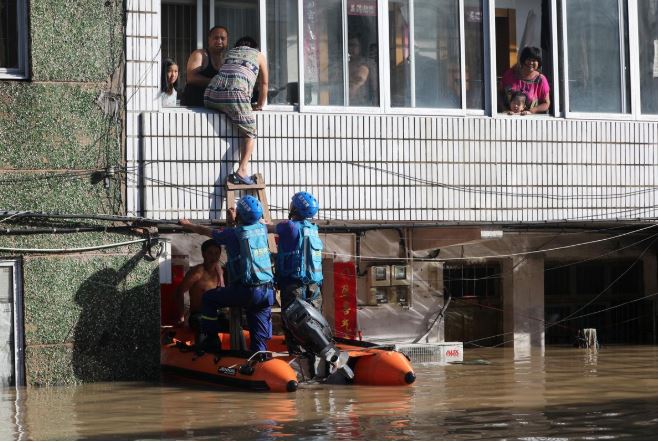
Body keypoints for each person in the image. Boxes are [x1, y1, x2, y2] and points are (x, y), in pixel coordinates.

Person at [178, 195, 274, 353]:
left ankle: (210, 341)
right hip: (267, 292)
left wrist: (188, 225)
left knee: (208, 298)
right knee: (258, 332)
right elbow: (249, 227)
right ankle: (260, 357)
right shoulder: (262, 229)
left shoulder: (232, 234)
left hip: (247, 291)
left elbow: (205, 231)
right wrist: (235, 219)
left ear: (240, 215)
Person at [204, 36, 269, 186]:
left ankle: (232, 110)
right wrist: (259, 105)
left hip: (210, 95)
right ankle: (242, 170)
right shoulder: (258, 55)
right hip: (235, 95)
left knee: (233, 111)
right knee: (250, 132)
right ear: (255, 47)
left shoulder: (230, 53)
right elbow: (264, 83)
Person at [265, 191, 324, 354]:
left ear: (295, 208)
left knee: (293, 325)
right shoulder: (313, 229)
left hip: (294, 286)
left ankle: (298, 363)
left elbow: (266, 228)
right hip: (314, 288)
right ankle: (315, 358)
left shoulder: (288, 226)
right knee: (314, 325)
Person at [173, 239, 224, 328]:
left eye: (217, 253)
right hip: (199, 315)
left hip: (216, 314)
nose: (214, 257)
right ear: (203, 254)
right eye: (210, 253)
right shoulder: (198, 271)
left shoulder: (221, 272)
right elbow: (179, 291)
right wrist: (181, 317)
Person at [180, 26, 229, 107]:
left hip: (214, 108)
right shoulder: (200, 54)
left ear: (227, 40)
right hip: (193, 107)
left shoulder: (227, 60)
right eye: (216, 38)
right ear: (209, 39)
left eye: (222, 38)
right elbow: (191, 78)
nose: (219, 41)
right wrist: (218, 83)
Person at [500, 46, 550, 114]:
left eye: (534, 60)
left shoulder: (541, 80)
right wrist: (505, 110)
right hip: (508, 118)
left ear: (538, 63)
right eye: (529, 59)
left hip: (531, 121)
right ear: (523, 60)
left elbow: (546, 104)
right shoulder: (510, 74)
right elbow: (498, 94)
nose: (531, 63)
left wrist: (531, 111)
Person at [348, 35, 372, 106]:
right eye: (349, 45)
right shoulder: (346, 64)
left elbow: (357, 83)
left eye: (354, 45)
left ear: (360, 47)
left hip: (362, 105)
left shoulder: (365, 64)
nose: (351, 48)